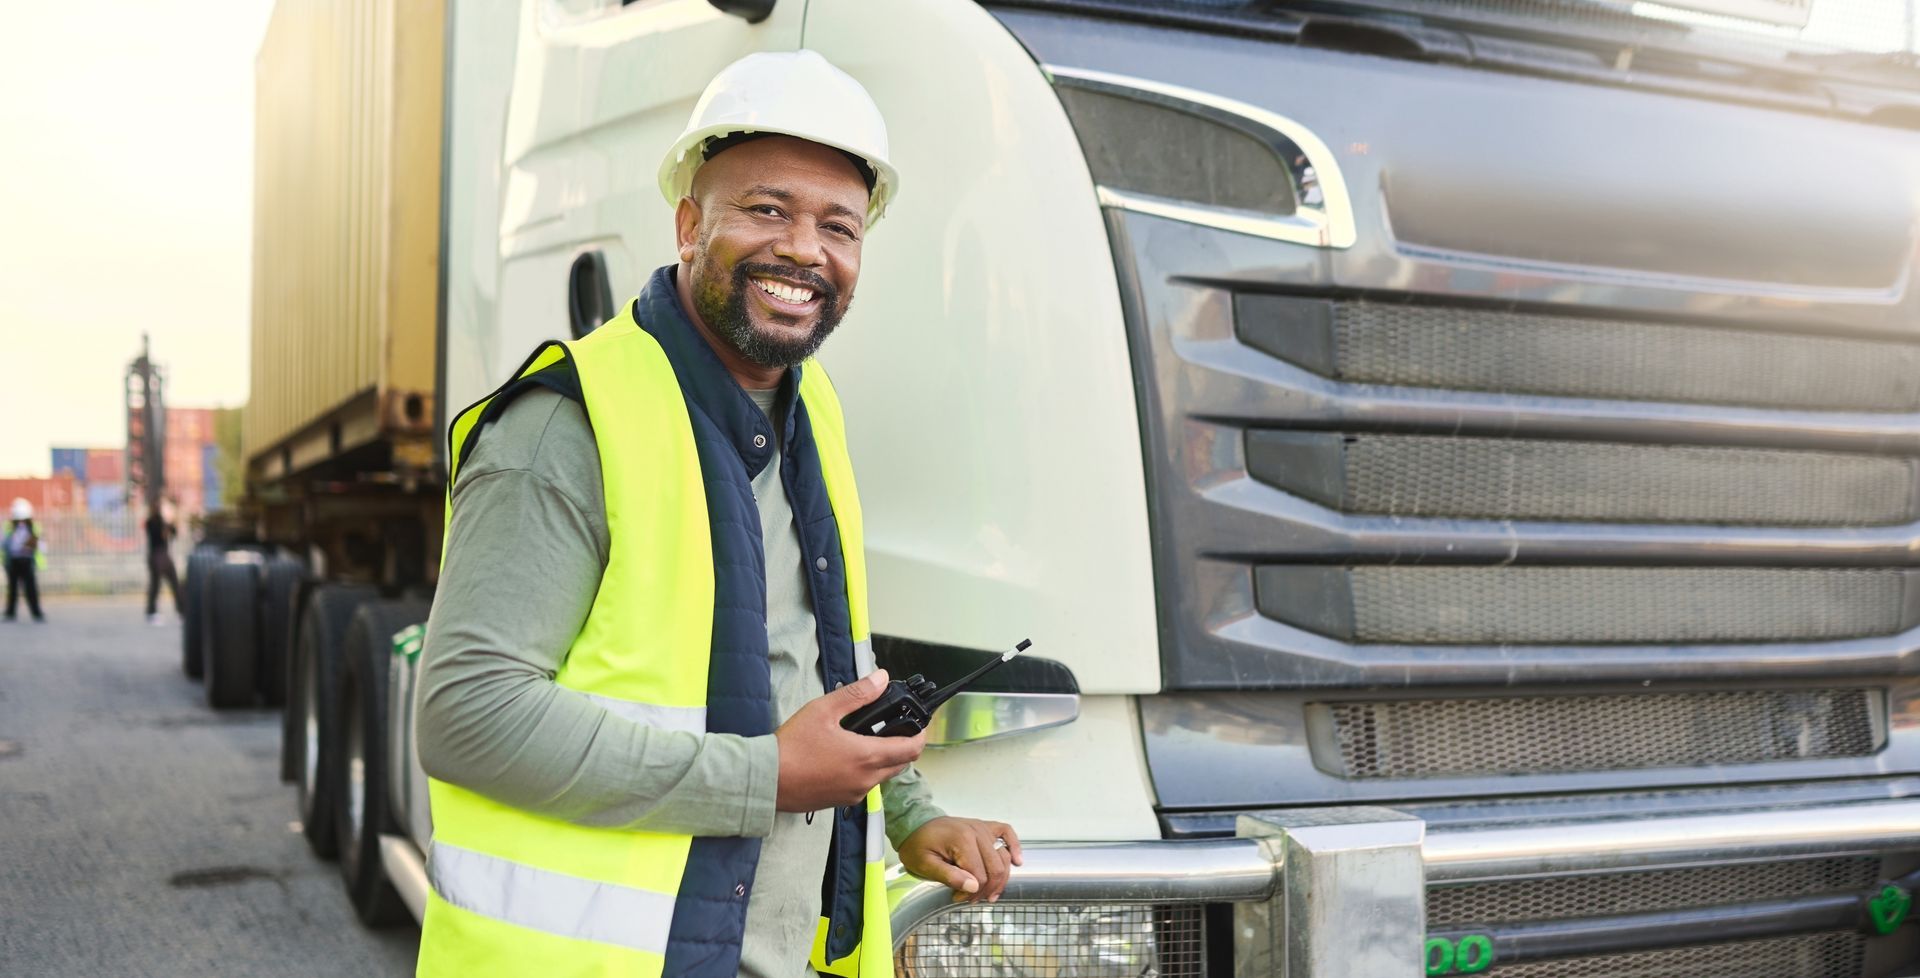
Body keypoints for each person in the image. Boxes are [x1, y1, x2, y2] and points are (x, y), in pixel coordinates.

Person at [413, 51, 1019, 978]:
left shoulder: (811, 411)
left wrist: (909, 812)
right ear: (690, 222)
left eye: (838, 226)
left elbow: (811, 663)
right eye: (767, 210)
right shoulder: (566, 426)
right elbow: (466, 714)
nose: (804, 250)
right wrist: (766, 779)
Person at [5, 498, 45, 622]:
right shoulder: (9, 526)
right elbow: (5, 543)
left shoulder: (34, 527)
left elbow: (39, 545)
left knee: (31, 588)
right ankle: (10, 613)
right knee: (12, 589)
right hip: (14, 561)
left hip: (27, 561)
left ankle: (36, 613)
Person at [143, 499, 182, 624]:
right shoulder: (152, 522)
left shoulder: (163, 521)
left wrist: (171, 520)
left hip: (163, 555)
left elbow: (174, 533)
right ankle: (152, 612)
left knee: (175, 584)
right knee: (156, 585)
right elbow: (161, 535)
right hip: (157, 556)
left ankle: (180, 610)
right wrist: (167, 524)